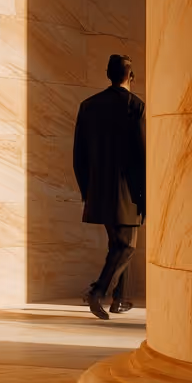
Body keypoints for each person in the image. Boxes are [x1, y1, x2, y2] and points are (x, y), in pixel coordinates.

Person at [73, 54, 145, 320]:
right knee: (127, 247)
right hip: (127, 192)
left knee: (117, 243)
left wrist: (87, 190)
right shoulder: (134, 105)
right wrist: (145, 194)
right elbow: (142, 155)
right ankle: (98, 290)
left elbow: (78, 155)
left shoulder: (88, 106)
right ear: (131, 77)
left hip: (98, 191)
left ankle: (120, 299)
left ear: (108, 74)